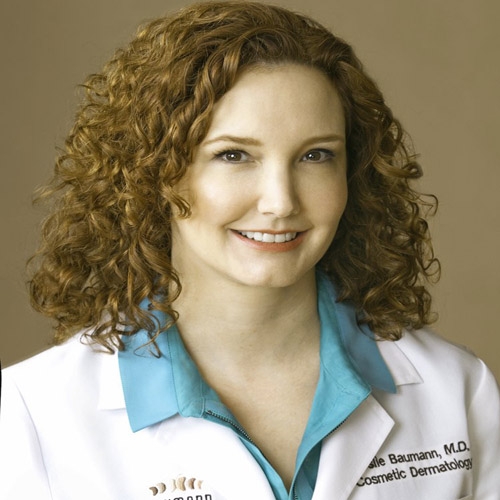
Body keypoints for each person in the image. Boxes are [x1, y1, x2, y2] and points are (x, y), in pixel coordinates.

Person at [1, 1, 499, 498]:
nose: (280, 202)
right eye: (233, 155)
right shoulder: (32, 415)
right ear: (152, 172)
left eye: (315, 155)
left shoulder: (456, 390)